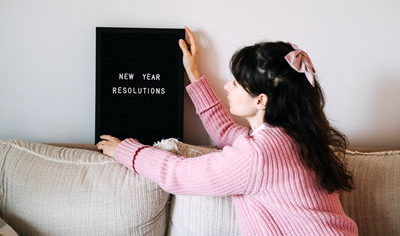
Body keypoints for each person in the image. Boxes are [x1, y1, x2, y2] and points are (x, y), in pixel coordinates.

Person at [96, 26, 358, 235]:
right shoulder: (292, 135)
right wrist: (194, 74)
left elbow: (178, 174)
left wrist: (125, 150)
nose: (228, 87)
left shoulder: (259, 154)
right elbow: (227, 133)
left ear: (260, 100)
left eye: (236, 83)